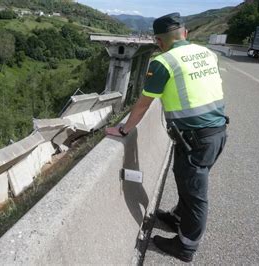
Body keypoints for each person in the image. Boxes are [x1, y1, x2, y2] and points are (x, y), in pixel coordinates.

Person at [105, 13, 228, 262]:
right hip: (215, 133)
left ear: (159, 41)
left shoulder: (164, 62)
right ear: (186, 34)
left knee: (195, 194)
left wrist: (124, 130)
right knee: (184, 179)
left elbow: (142, 105)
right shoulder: (207, 54)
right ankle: (177, 218)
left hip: (195, 138)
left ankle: (186, 247)